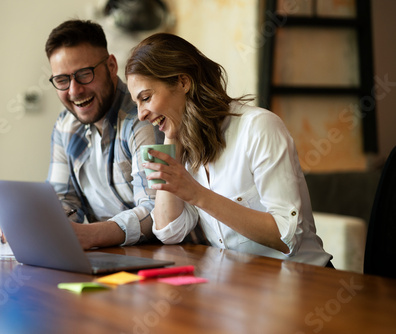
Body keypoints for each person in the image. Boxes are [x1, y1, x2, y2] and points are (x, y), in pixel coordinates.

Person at [125, 33, 333, 266]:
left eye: (146, 98)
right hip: (241, 287)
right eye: (136, 103)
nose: (141, 114)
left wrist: (197, 193)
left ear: (183, 82)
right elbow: (169, 232)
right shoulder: (188, 143)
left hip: (304, 281)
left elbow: (288, 238)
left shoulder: (258, 127)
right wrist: (171, 137)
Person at [45, 20, 161, 250]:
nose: (74, 90)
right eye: (62, 80)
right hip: (107, 254)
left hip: (155, 256)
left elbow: (156, 211)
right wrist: (48, 227)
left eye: (84, 74)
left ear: (111, 66)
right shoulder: (65, 125)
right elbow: (63, 199)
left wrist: (90, 235)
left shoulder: (143, 119)